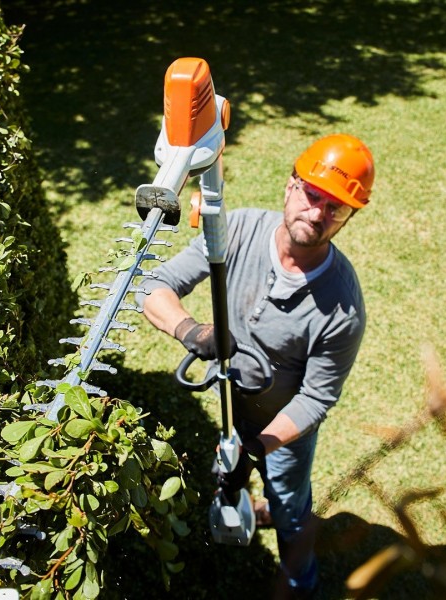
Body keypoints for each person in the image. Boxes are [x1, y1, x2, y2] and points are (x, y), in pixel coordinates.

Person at [137, 133, 375, 599]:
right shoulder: (238, 230)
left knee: (289, 505)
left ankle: (299, 579)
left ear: (348, 217)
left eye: (335, 208)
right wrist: (192, 331)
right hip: (230, 404)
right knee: (228, 473)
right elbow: (155, 285)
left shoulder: (341, 307)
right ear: (290, 186)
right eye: (312, 195)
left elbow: (316, 399)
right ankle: (243, 498)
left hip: (282, 431)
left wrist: (259, 447)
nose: (318, 214)